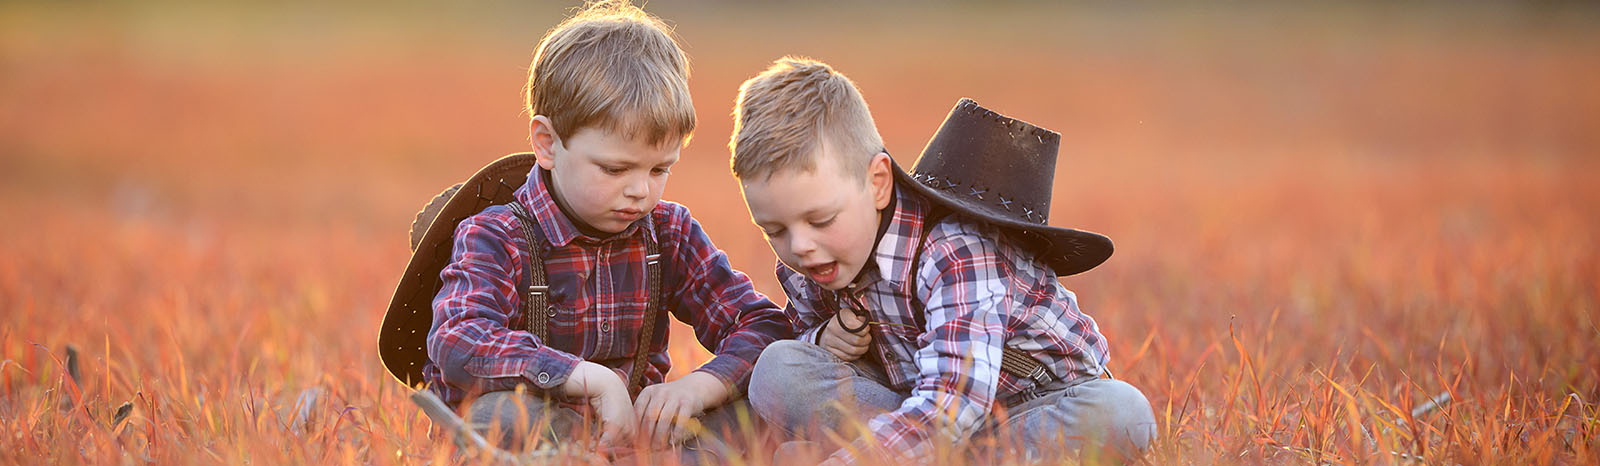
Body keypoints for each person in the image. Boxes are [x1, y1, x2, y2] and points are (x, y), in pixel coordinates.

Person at [378, 2, 792, 462]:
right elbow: (457, 340)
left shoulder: (668, 232)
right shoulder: (497, 234)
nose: (640, 191)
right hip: (544, 421)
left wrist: (700, 387)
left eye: (660, 169)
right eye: (615, 169)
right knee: (501, 417)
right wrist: (586, 378)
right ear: (548, 143)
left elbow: (764, 325)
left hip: (634, 430)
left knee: (764, 403)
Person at [728, 57, 1156, 464]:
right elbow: (806, 348)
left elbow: (957, 399)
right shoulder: (813, 258)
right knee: (779, 369)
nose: (799, 246)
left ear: (877, 184)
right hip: (919, 405)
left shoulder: (955, 251)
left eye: (819, 219)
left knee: (1122, 413)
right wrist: (822, 339)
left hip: (1029, 406)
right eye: (775, 231)